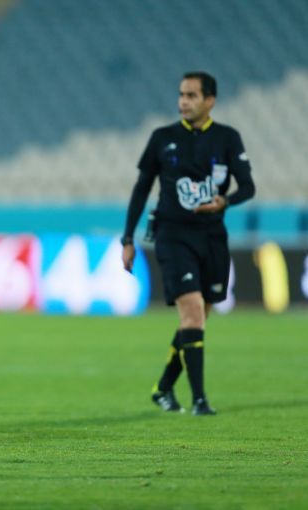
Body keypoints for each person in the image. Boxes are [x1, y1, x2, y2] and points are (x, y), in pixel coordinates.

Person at [121, 72, 255, 416]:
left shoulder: (227, 138)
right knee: (193, 311)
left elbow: (248, 187)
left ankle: (164, 388)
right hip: (172, 235)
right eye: (181, 94)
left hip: (212, 238)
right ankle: (199, 400)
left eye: (192, 95)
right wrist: (128, 238)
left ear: (210, 101)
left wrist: (225, 201)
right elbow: (141, 188)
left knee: (197, 319)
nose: (183, 101)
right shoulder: (163, 138)